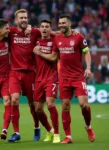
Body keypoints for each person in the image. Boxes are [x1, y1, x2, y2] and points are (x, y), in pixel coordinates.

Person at [33, 14, 95, 144]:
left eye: (63, 23)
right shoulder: (57, 38)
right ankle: (68, 136)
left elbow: (86, 52)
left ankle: (88, 127)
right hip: (64, 78)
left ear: (69, 24)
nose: (61, 25)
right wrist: (40, 52)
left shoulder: (78, 37)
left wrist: (88, 67)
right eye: (59, 23)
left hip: (78, 76)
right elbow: (54, 56)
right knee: (65, 106)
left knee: (84, 105)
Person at [0, 9, 40, 142]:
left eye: (25, 18)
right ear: (16, 20)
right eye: (21, 18)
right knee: (14, 99)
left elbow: (49, 33)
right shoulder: (10, 32)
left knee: (32, 104)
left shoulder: (34, 31)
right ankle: (16, 132)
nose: (24, 20)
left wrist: (70, 31)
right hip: (15, 72)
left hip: (30, 73)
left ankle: (37, 126)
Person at [33, 19, 60, 143]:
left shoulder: (54, 41)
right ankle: (50, 131)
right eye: (42, 26)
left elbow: (54, 58)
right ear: (39, 28)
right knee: (37, 109)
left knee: (50, 103)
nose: (44, 29)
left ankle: (57, 134)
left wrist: (39, 52)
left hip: (51, 76)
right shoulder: (36, 39)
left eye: (47, 27)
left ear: (50, 29)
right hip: (38, 78)